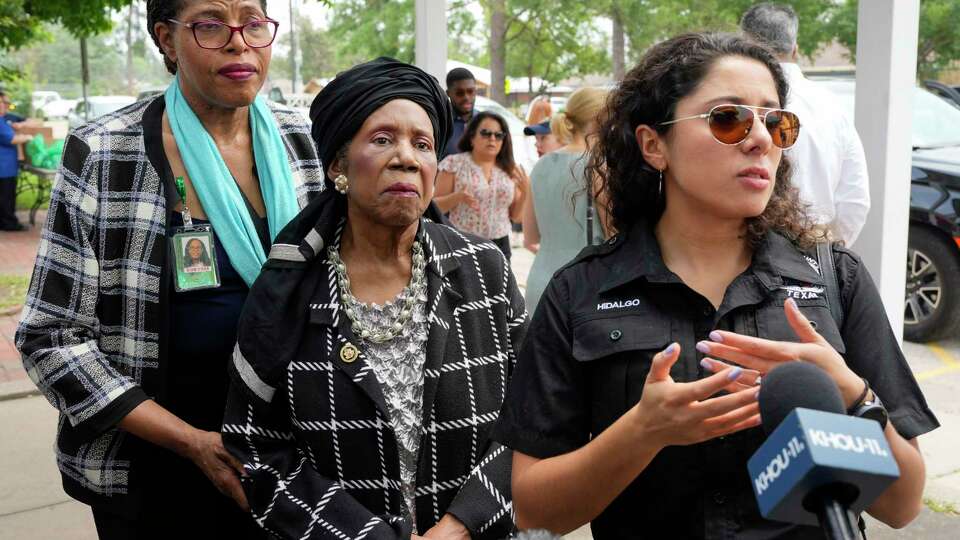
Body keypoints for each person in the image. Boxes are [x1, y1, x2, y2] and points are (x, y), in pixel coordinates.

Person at [493, 32, 938, 538]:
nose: (761, 139)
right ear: (653, 145)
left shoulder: (836, 280)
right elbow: (533, 509)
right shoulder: (580, 293)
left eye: (776, 122)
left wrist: (854, 396)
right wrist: (641, 433)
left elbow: (902, 506)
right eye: (729, 118)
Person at [15, 1, 324, 538]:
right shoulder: (106, 151)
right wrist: (191, 442)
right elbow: (50, 338)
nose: (238, 41)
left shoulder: (307, 141)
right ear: (165, 38)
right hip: (154, 470)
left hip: (290, 458)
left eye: (253, 22)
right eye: (210, 24)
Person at [222, 57, 526, 539]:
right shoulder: (290, 291)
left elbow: (529, 417)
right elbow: (258, 448)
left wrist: (461, 524)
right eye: (383, 140)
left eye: (422, 144)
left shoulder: (482, 270)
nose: (406, 157)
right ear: (339, 165)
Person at [741, 3, 870, 246]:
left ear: (746, 44)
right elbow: (856, 201)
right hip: (816, 243)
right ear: (795, 49)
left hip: (750, 244)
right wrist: (828, 253)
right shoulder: (833, 107)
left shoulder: (734, 107)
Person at [522, 87, 607, 313]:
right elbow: (614, 237)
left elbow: (529, 237)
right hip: (584, 286)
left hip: (540, 282)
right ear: (602, 119)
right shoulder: (599, 166)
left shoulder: (540, 167)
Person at [434, 111, 530, 260]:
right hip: (462, 242)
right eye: (486, 133)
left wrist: (525, 192)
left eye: (499, 135)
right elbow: (434, 208)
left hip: (500, 246)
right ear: (472, 137)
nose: (492, 139)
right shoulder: (454, 163)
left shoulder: (510, 170)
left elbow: (516, 218)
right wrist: (457, 197)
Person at [0, 91, 31, 231]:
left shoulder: (4, 120)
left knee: (4, 197)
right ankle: (10, 224)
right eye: (3, 103)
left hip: (6, 166)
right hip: (4, 168)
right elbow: (11, 139)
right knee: (6, 197)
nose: (6, 106)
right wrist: (28, 137)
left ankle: (5, 222)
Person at [444, 67, 477, 157]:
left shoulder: (483, 121)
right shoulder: (440, 122)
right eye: (460, 93)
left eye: (471, 91)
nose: (466, 97)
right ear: (448, 93)